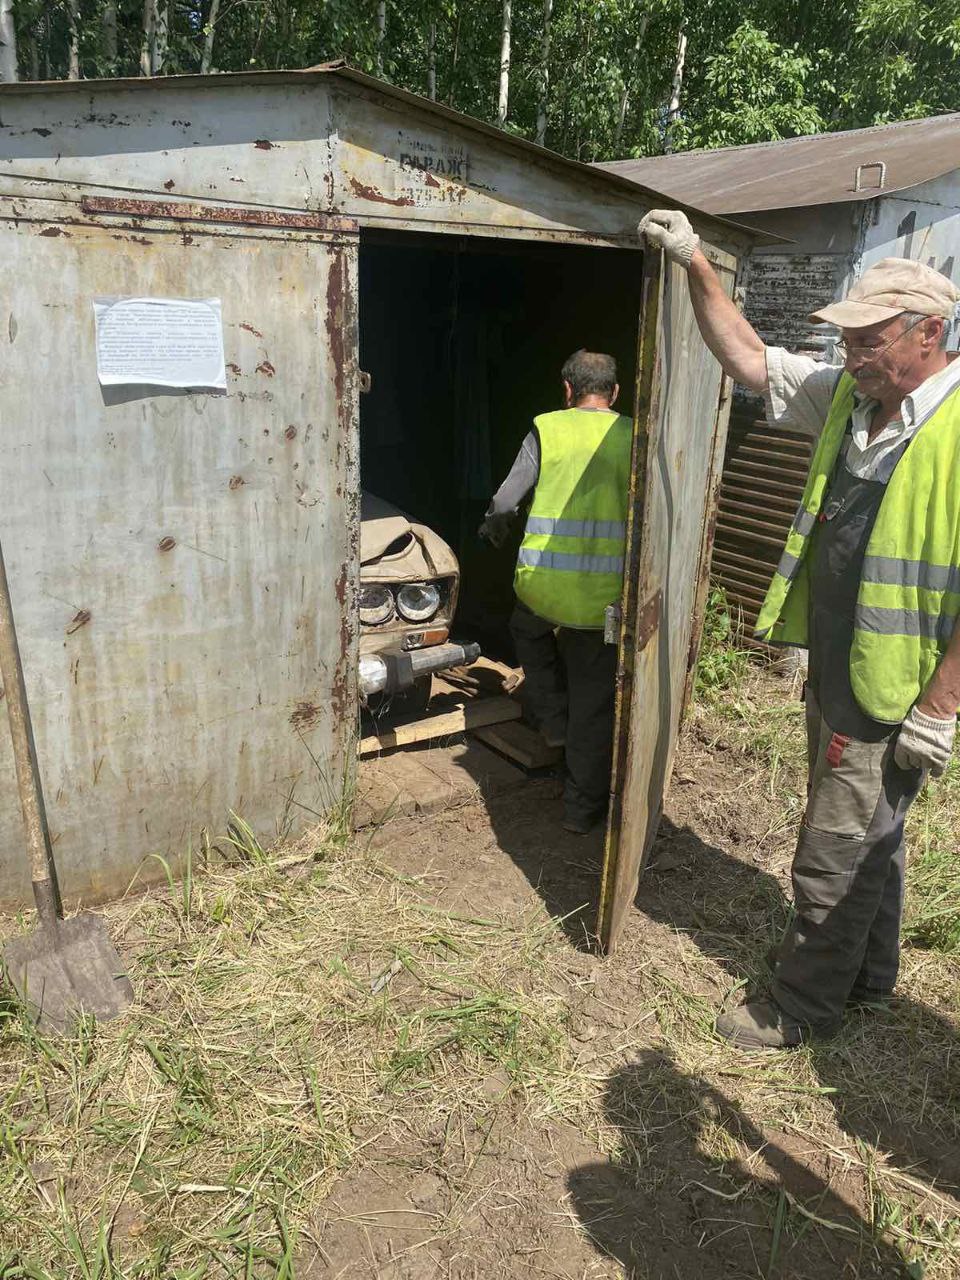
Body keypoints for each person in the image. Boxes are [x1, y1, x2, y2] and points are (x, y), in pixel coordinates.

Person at [639, 208, 960, 1049]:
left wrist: (938, 706)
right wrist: (695, 264)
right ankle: (871, 982)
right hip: (839, 662)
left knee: (833, 851)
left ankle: (802, 1007)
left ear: (929, 334)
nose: (850, 358)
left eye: (869, 342)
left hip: (891, 686)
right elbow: (750, 359)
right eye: (848, 343)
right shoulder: (854, 398)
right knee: (872, 835)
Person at [479, 350, 632, 834]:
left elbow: (505, 500)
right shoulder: (634, 435)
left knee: (525, 630)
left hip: (543, 587)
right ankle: (580, 810)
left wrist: (494, 528)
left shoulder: (547, 428)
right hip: (603, 599)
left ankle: (552, 720)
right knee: (595, 701)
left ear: (567, 390)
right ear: (615, 393)